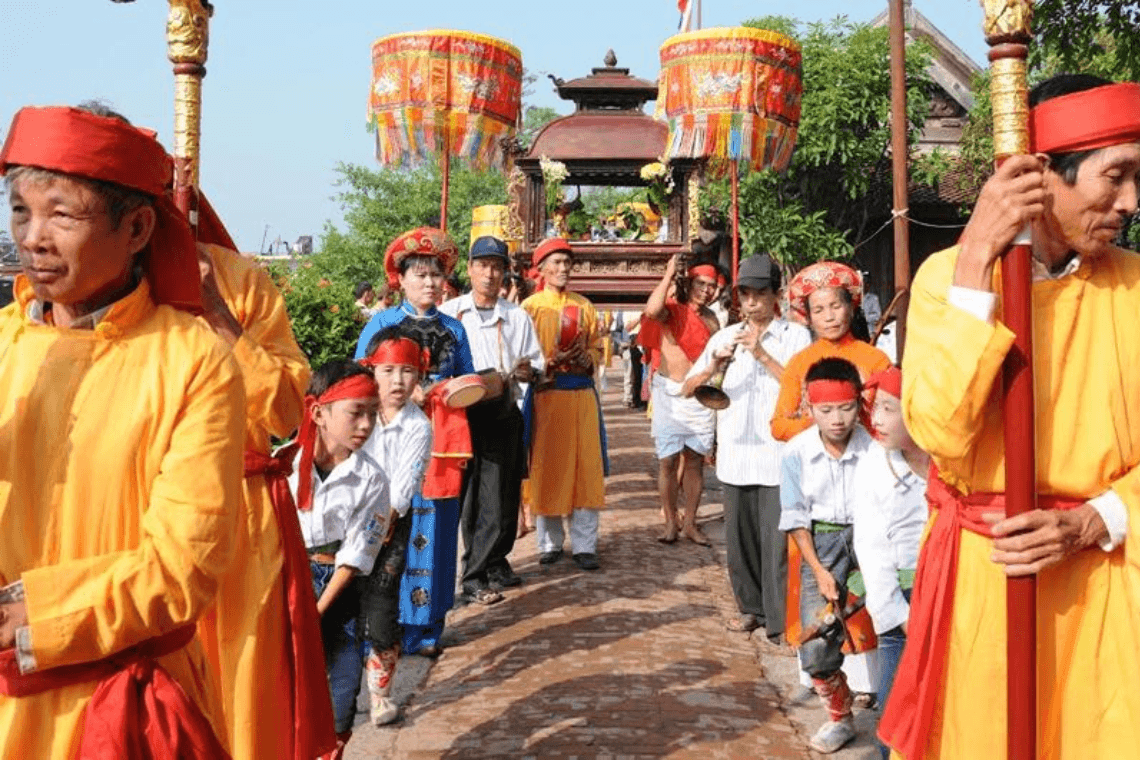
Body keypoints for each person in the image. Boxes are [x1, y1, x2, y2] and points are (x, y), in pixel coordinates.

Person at [880, 75, 1140, 759]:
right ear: (1042, 176)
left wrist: (1095, 519)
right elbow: (938, 430)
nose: (1131, 203)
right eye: (1115, 177)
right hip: (987, 577)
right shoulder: (948, 278)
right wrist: (975, 259)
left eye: (1138, 178)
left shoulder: (1137, 290)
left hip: (1109, 579)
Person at [0, 104, 244, 756]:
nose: (34, 238)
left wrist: (40, 612)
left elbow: (183, 570)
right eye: (20, 211)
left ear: (136, 227)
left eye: (63, 214)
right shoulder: (3, 346)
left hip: (121, 707)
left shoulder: (194, 361)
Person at [193, 224, 332, 758]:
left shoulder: (238, 281)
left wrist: (217, 313)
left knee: (243, 692)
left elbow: (283, 412)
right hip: (126, 520)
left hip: (238, 516)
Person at [353, 227, 476, 656]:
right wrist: (405, 388)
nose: (429, 283)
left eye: (436, 275)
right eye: (420, 275)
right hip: (390, 439)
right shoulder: (382, 324)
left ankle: (427, 629)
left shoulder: (455, 330)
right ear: (400, 280)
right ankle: (384, 624)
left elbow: (467, 376)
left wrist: (447, 389)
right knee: (388, 528)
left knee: (439, 531)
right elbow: (358, 378)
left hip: (442, 439)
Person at [683, 254, 810, 641]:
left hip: (777, 457)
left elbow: (802, 388)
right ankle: (749, 609)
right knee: (740, 545)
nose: (752, 302)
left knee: (776, 546)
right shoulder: (724, 337)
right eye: (746, 295)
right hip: (736, 453)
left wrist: (761, 353)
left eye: (761, 294)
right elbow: (688, 388)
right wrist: (712, 366)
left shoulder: (796, 337)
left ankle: (779, 619)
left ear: (777, 296)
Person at [287, 360, 387, 756]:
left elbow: (356, 555)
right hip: (287, 580)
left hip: (338, 590)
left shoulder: (372, 478)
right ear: (318, 413)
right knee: (285, 689)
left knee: (340, 689)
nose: (365, 425)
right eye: (355, 413)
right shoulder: (284, 465)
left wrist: (316, 611)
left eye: (372, 414)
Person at [779, 357, 876, 753]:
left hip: (872, 538)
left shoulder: (876, 447)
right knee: (817, 644)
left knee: (892, 628)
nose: (837, 419)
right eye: (826, 410)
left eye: (846, 407)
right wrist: (819, 570)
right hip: (823, 543)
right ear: (809, 407)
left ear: (859, 404)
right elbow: (795, 516)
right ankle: (841, 716)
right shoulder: (796, 452)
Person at [441, 236, 545, 603]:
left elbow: (537, 361)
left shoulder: (516, 316)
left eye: (497, 266)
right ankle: (473, 574)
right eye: (482, 265)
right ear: (469, 269)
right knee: (472, 497)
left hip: (502, 409)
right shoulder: (450, 313)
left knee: (502, 494)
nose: (489, 273)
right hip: (461, 413)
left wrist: (527, 371)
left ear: (505, 274)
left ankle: (494, 561)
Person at [850, 367, 928, 760]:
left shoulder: (950, 464)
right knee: (897, 704)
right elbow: (871, 549)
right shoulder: (873, 466)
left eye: (888, 408)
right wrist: (900, 615)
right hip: (900, 599)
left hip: (943, 588)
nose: (876, 419)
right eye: (874, 407)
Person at [358, 327, 431, 726]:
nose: (399, 381)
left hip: (390, 525)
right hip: (346, 520)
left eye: (407, 371)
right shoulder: (356, 410)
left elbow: (404, 488)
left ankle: (380, 694)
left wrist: (382, 522)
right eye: (388, 370)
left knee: (382, 605)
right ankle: (343, 686)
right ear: (372, 371)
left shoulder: (418, 426)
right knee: (344, 607)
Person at [522, 238, 607, 571]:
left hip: (582, 395)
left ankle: (585, 545)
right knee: (548, 469)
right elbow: (523, 358)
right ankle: (549, 543)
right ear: (541, 269)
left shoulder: (584, 306)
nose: (561, 269)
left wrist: (589, 356)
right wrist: (548, 360)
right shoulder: (529, 308)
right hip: (548, 396)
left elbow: (599, 348)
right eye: (555, 263)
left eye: (566, 263)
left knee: (586, 469)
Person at [640, 254, 721, 545]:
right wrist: (668, 274)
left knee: (696, 461)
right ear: (689, 283)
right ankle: (670, 522)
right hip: (669, 394)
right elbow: (651, 310)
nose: (706, 290)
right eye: (700, 283)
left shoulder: (711, 319)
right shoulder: (672, 311)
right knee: (667, 462)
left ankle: (690, 523)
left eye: (711, 286)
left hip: (698, 395)